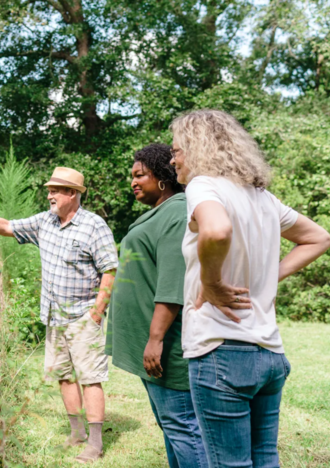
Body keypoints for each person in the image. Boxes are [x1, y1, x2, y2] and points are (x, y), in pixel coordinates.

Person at [169, 109, 330, 468]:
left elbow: (216, 230)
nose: (172, 158)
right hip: (270, 354)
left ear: (196, 149)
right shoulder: (262, 198)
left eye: (176, 149)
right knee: (264, 460)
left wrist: (211, 283)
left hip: (220, 352)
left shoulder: (203, 186)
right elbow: (318, 238)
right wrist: (268, 275)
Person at [0, 167, 118, 463]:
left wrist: (96, 314)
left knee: (90, 378)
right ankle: (77, 433)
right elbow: (7, 226)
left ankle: (95, 444)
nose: (49, 195)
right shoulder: (44, 222)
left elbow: (109, 269)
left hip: (84, 317)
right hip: (54, 318)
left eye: (55, 190)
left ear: (72, 193)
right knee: (64, 377)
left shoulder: (94, 225)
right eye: (49, 190)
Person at [106, 143, 208, 467]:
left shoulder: (178, 212)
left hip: (165, 346)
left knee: (183, 428)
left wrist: (155, 338)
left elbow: (173, 278)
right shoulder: (161, 212)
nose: (133, 181)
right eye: (131, 176)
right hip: (150, 345)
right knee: (172, 426)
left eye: (141, 175)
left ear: (162, 177)